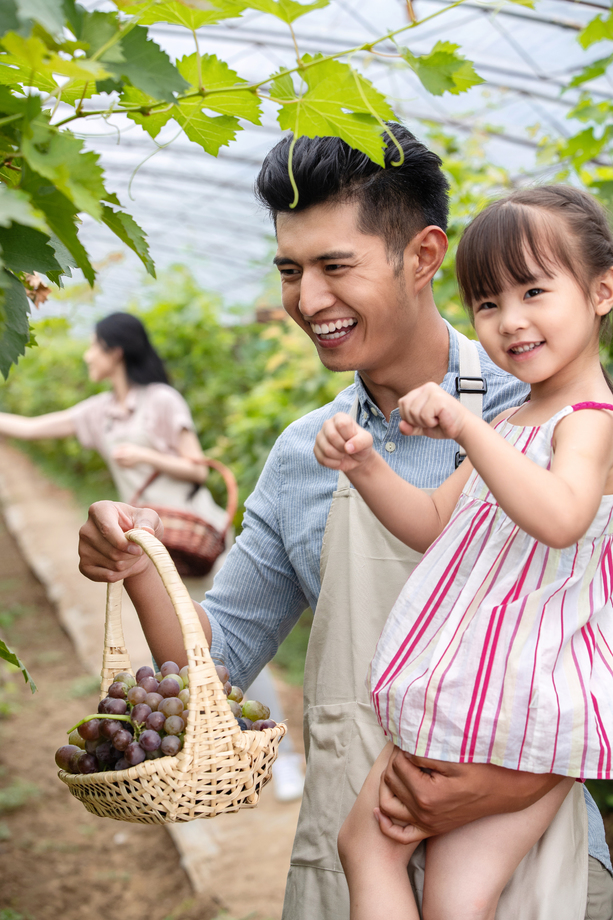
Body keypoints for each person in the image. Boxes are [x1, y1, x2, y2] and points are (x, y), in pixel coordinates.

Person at [75, 128, 613, 919]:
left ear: (424, 256)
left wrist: (518, 776)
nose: (308, 300)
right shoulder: (305, 455)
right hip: (359, 863)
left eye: (335, 266)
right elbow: (213, 662)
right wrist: (137, 561)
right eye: (291, 271)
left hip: (535, 867)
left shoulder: (547, 417)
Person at [314, 184, 613, 920]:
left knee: (368, 847)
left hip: (508, 704)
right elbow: (430, 524)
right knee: (449, 899)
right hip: (472, 701)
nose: (509, 321)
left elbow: (561, 516)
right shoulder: (512, 417)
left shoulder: (589, 423)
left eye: (534, 291)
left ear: (602, 291)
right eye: (486, 303)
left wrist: (467, 430)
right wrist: (364, 466)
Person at [0, 311, 303, 800]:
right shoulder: (98, 413)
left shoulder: (162, 401)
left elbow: (193, 466)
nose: (86, 355)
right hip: (153, 549)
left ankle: (280, 755)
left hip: (193, 544)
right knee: (184, 662)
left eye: (94, 346)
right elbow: (33, 427)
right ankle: (213, 752)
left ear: (116, 351)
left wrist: (145, 458)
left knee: (227, 650)